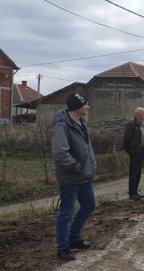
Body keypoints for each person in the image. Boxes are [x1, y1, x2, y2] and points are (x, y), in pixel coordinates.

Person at [51, 93, 96, 261]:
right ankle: (62, 248)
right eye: (86, 104)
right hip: (71, 176)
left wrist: (88, 169)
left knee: (89, 205)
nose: (88, 107)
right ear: (77, 107)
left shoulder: (81, 123)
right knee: (66, 213)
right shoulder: (62, 125)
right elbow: (60, 153)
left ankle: (74, 238)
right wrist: (77, 168)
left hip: (84, 175)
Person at [122, 107, 144, 200]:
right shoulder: (131, 124)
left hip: (141, 151)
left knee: (138, 172)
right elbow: (127, 138)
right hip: (135, 151)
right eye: (143, 113)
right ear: (138, 114)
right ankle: (132, 193)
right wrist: (128, 150)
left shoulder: (142, 124)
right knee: (134, 172)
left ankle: (135, 192)